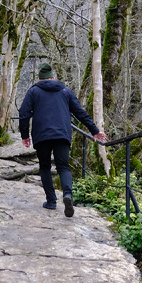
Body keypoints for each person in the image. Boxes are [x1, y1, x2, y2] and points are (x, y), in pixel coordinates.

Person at [19, 63, 107, 217]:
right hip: (62, 135)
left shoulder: (33, 91)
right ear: (53, 77)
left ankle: (51, 201)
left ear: (40, 79)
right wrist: (95, 130)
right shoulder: (65, 91)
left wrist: (25, 135)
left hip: (42, 135)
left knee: (45, 167)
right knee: (63, 167)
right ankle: (68, 195)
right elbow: (80, 112)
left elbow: (24, 114)